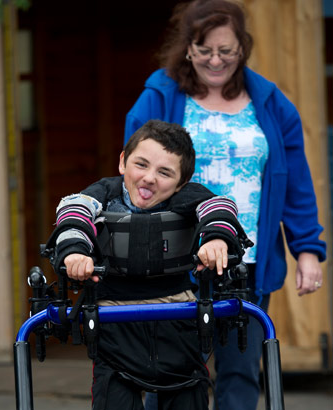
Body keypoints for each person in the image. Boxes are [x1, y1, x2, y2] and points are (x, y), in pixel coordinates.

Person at [124, 1, 327, 410]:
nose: (215, 60)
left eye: (226, 51)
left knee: (240, 374)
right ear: (188, 49)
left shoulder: (270, 103)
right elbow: (132, 175)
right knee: (171, 375)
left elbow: (296, 184)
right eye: (204, 50)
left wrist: (307, 250)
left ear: (242, 49)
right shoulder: (159, 96)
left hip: (245, 265)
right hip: (175, 264)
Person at [45, 119, 251, 410]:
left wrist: (216, 240)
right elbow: (73, 210)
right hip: (114, 322)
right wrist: (75, 253)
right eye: (140, 165)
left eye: (164, 172)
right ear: (122, 162)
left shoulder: (187, 196)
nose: (149, 178)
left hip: (177, 316)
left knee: (189, 396)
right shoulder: (104, 194)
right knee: (112, 400)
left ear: (180, 183)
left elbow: (219, 207)